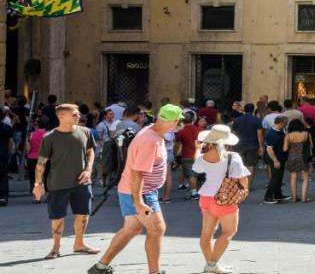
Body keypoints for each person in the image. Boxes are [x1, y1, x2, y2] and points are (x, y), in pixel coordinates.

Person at [88, 103, 183, 274]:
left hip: (132, 189)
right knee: (157, 229)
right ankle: (154, 272)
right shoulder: (150, 141)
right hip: (142, 192)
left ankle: (101, 266)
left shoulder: (151, 131)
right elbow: (137, 173)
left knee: (131, 229)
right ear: (174, 121)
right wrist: (138, 201)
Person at [33, 103, 96, 260]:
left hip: (82, 183)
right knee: (57, 217)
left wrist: (88, 170)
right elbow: (41, 163)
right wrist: (38, 184)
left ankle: (79, 244)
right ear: (61, 117)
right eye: (74, 114)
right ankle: (56, 247)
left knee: (82, 214)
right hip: (58, 184)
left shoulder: (85, 132)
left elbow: (90, 152)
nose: (78, 117)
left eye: (78, 114)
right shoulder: (50, 137)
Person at [191, 124, 248, 274]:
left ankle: (212, 264)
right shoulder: (233, 157)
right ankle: (212, 264)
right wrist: (244, 189)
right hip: (224, 199)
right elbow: (242, 180)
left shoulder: (204, 156)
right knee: (228, 232)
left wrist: (198, 149)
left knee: (206, 234)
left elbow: (196, 167)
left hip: (205, 197)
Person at [283, 118, 312, 204]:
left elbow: (285, 149)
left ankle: (294, 198)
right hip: (303, 157)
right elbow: (311, 146)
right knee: (305, 178)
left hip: (292, 157)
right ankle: (304, 198)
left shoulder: (288, 136)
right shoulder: (306, 134)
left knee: (293, 177)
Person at [262, 115, 288, 203]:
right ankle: (268, 197)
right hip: (275, 158)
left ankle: (278, 194)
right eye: (285, 123)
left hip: (280, 157)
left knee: (279, 177)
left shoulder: (279, 131)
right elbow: (269, 149)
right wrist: (275, 160)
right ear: (281, 123)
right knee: (275, 177)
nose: (286, 125)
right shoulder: (272, 134)